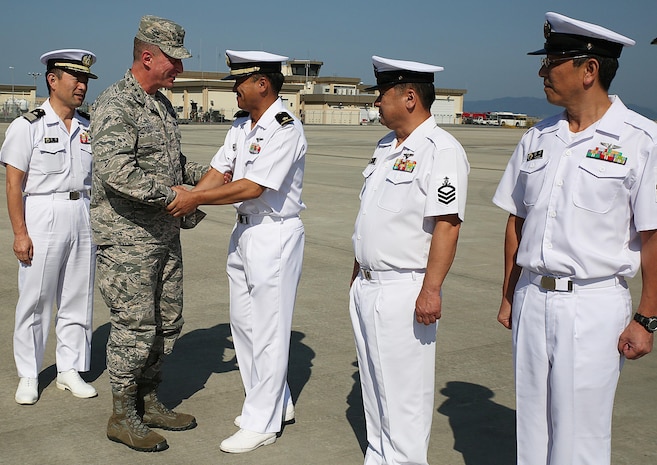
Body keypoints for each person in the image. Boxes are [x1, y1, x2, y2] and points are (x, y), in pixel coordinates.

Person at [493, 12, 657, 465]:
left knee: (579, 438)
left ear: (590, 70)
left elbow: (653, 236)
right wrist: (509, 295)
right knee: (531, 428)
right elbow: (516, 221)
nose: (543, 71)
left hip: (592, 305)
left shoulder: (641, 140)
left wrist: (647, 318)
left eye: (554, 60)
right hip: (531, 298)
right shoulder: (536, 137)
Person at [166, 50, 306, 454]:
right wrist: (192, 194)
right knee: (244, 325)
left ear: (262, 83)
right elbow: (218, 171)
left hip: (274, 235)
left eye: (240, 82)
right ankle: (274, 403)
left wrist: (194, 201)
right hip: (244, 234)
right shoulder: (243, 126)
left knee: (269, 330)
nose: (235, 90)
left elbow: (252, 187)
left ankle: (263, 422)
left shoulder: (285, 128)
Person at [91, 15, 207, 452]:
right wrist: (172, 197)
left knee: (167, 321)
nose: (178, 69)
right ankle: (122, 415)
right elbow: (116, 170)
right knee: (135, 326)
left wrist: (211, 176)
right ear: (147, 56)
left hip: (163, 236)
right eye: (173, 60)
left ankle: (148, 399)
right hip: (128, 241)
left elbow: (172, 164)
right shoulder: (116, 104)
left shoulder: (160, 104)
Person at [348, 56, 469, 465]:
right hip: (368, 284)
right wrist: (356, 274)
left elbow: (447, 226)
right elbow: (372, 217)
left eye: (381, 96)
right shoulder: (386, 146)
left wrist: (431, 290)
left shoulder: (441, 150)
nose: (376, 104)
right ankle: (379, 458)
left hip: (405, 287)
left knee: (403, 395)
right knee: (375, 388)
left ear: (410, 97)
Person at [1, 49, 99, 405]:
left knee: (77, 295)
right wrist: (20, 233)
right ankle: (29, 373)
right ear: (52, 80)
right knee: (36, 298)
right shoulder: (28, 125)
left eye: (85, 80)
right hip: (43, 212)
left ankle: (69, 368)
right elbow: (14, 184)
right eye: (75, 78)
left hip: (82, 213)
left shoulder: (88, 126)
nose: (82, 86)